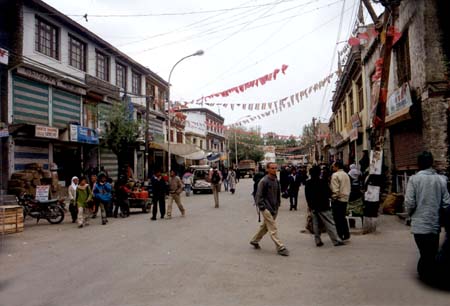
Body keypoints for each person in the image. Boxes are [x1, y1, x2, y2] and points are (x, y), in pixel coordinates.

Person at [404, 151, 450, 284]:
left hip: (419, 225)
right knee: (431, 252)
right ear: (432, 163)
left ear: (418, 164)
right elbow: (447, 202)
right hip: (434, 224)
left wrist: (411, 214)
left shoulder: (414, 179)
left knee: (425, 253)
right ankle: (429, 275)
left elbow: (409, 202)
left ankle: (426, 276)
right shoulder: (441, 180)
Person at [249, 162, 289, 256]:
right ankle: (280, 247)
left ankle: (254, 240)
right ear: (267, 169)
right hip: (266, 209)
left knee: (265, 227)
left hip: (275, 208)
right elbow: (258, 196)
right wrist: (263, 208)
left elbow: (278, 194)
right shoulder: (263, 181)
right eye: (272, 168)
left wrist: (278, 204)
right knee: (272, 227)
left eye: (275, 168)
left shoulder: (276, 180)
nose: (274, 170)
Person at [305, 166, 344, 247]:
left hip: (313, 207)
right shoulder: (322, 182)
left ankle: (317, 240)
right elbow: (329, 193)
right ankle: (336, 240)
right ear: (319, 173)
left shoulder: (308, 183)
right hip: (323, 206)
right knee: (330, 223)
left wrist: (309, 205)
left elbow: (307, 196)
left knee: (315, 224)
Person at [330, 161, 351, 241]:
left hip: (338, 199)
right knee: (342, 217)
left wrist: (334, 197)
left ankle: (340, 235)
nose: (332, 168)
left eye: (333, 166)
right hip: (345, 198)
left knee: (337, 218)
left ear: (337, 166)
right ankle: (346, 234)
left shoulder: (335, 175)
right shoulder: (346, 175)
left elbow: (335, 189)